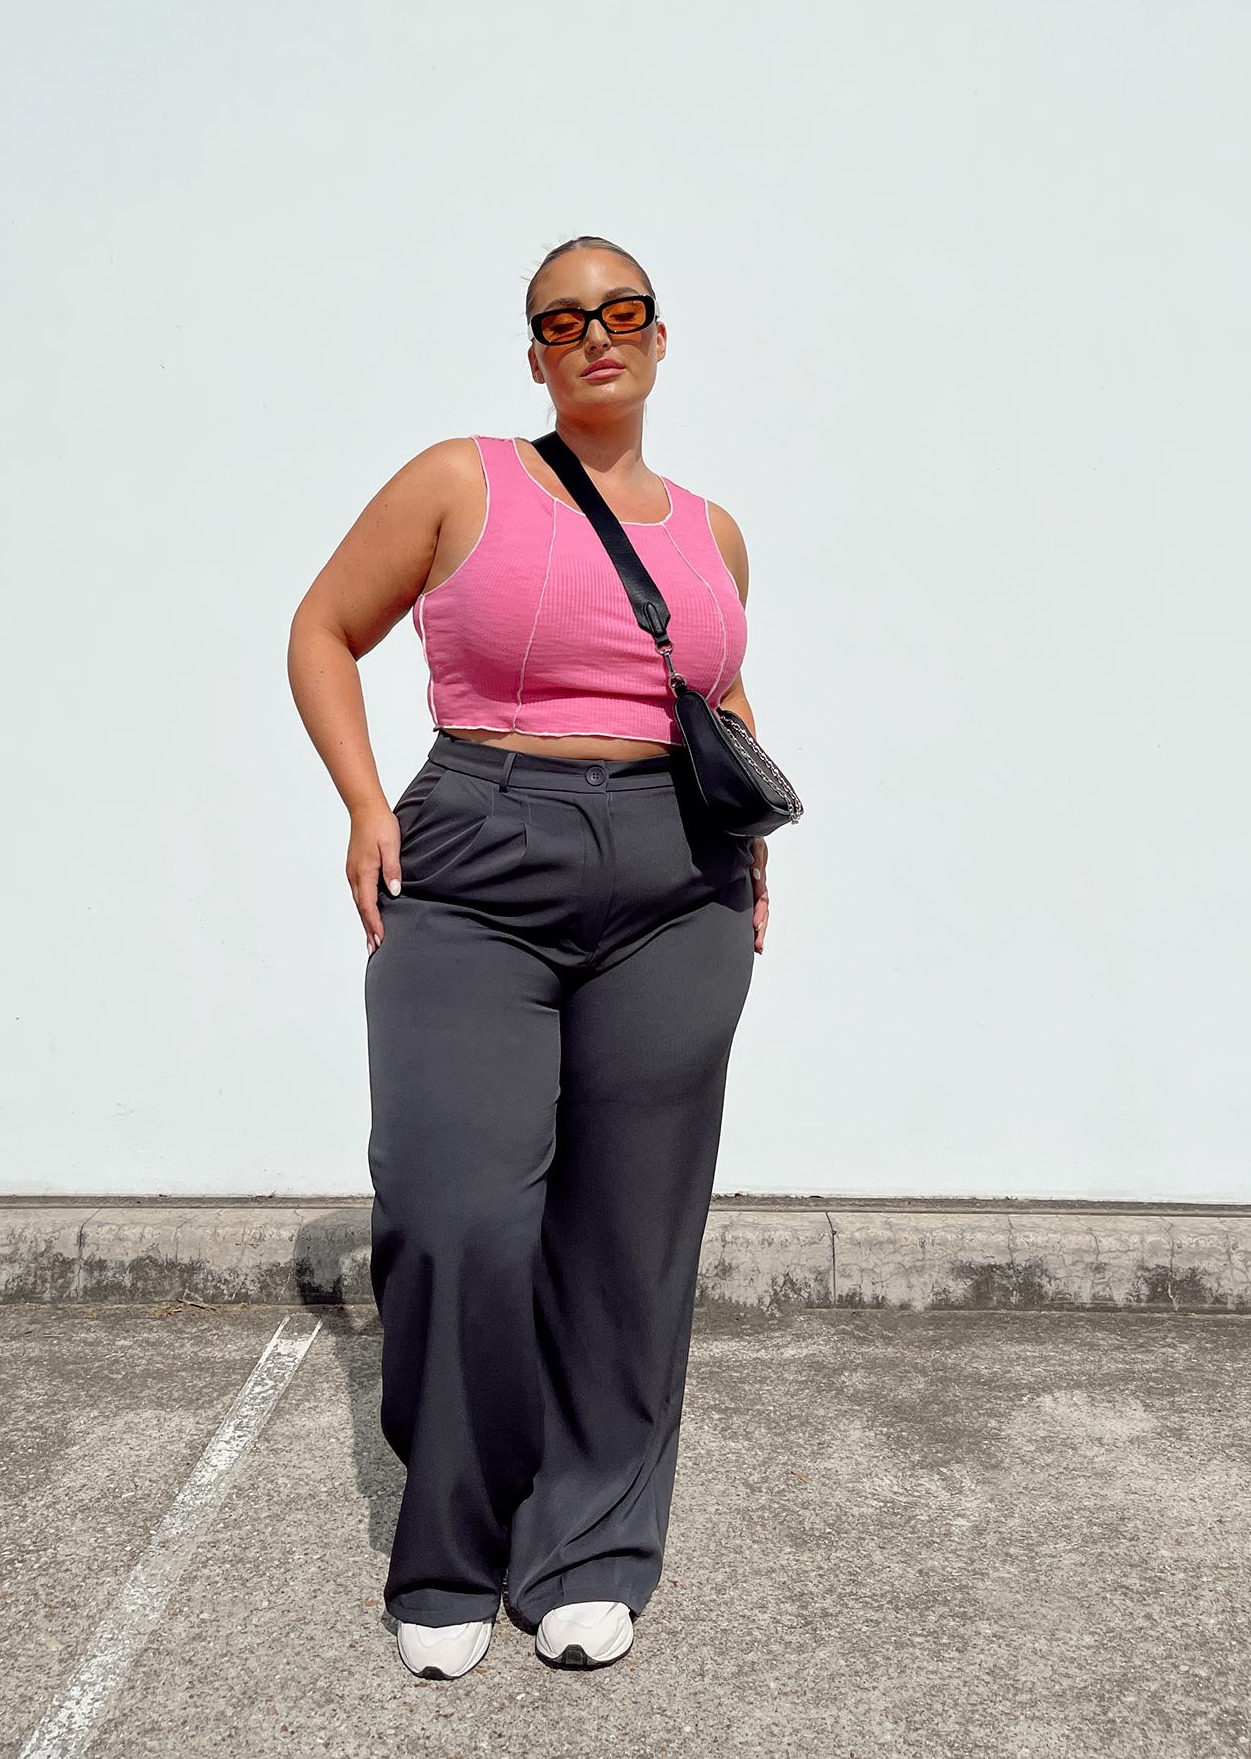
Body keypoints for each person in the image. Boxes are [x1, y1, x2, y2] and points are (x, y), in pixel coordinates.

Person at [287, 235, 771, 1681]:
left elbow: (718, 690)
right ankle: (452, 1546)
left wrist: (753, 847)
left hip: (678, 887)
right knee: (458, 1213)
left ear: (661, 338)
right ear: (537, 355)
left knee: (629, 1241)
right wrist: (365, 804)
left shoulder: (714, 531)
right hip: (478, 859)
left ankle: (590, 1547)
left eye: (622, 312)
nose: (595, 335)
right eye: (565, 321)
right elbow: (322, 629)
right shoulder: (463, 479)